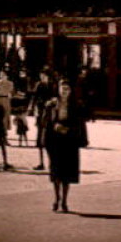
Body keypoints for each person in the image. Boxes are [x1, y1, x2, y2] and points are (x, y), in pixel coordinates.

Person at [40, 80, 88, 212]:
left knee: (67, 173)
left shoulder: (76, 105)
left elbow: (80, 124)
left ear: (70, 91)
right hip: (55, 141)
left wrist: (69, 129)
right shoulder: (51, 104)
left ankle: (65, 201)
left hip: (69, 142)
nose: (65, 91)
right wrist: (54, 126)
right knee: (56, 172)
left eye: (67, 89)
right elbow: (44, 122)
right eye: (63, 89)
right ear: (59, 90)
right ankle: (56, 198)